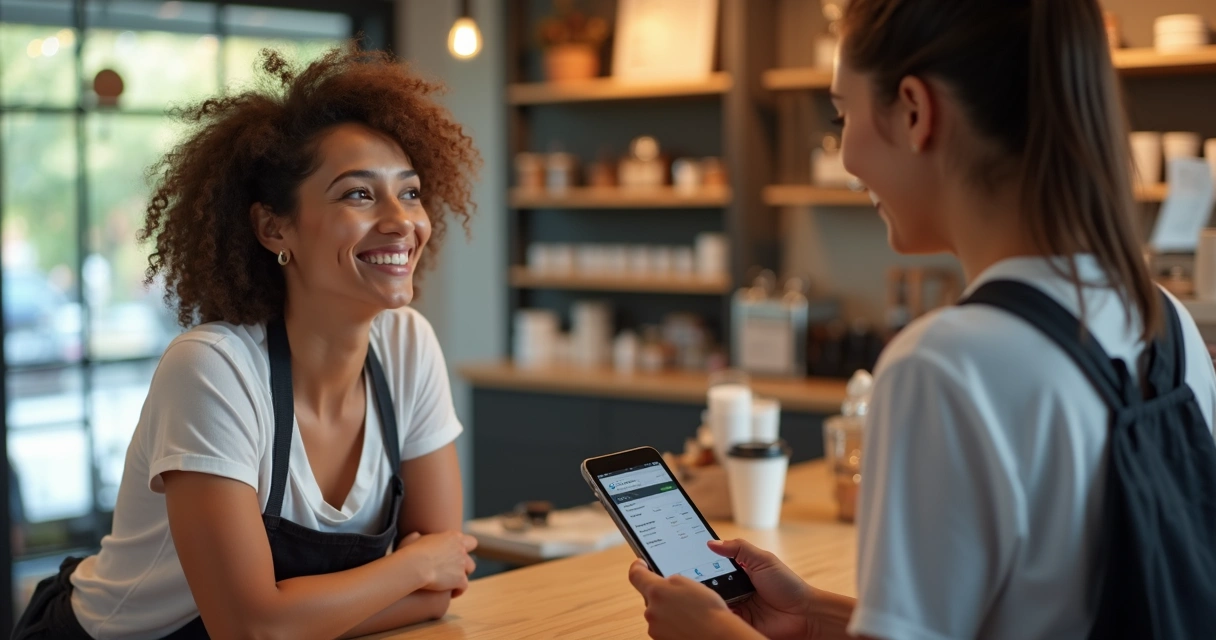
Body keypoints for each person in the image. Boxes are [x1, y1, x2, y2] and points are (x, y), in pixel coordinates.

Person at [627, 1, 1216, 638]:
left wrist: (712, 634)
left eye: (842, 113)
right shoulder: (1168, 321)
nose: (847, 157)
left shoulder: (945, 363)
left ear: (915, 111)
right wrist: (816, 614)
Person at [13, 47, 481, 640]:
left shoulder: (408, 346)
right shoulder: (213, 370)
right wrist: (411, 566)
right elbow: (249, 627)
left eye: (409, 192)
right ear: (273, 227)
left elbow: (441, 591)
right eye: (358, 195)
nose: (400, 220)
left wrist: (299, 614)